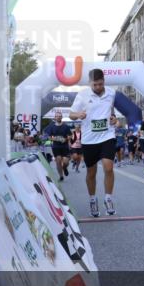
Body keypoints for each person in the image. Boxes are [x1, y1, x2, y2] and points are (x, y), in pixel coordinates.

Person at [69, 69, 118, 217]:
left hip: (107, 136)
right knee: (91, 172)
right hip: (89, 139)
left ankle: (108, 198)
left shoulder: (111, 93)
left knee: (108, 167)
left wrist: (114, 118)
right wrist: (78, 114)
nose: (98, 87)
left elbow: (111, 111)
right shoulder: (82, 95)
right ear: (90, 83)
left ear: (104, 81)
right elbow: (71, 114)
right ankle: (92, 199)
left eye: (100, 84)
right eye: (95, 85)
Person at [43, 111, 72, 180]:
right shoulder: (51, 126)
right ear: (55, 117)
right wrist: (53, 138)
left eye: (59, 116)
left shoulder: (65, 126)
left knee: (66, 162)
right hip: (56, 146)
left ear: (61, 117)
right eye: (57, 116)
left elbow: (70, 135)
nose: (58, 117)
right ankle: (61, 176)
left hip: (65, 146)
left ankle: (64, 167)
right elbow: (47, 135)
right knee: (58, 160)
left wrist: (66, 139)